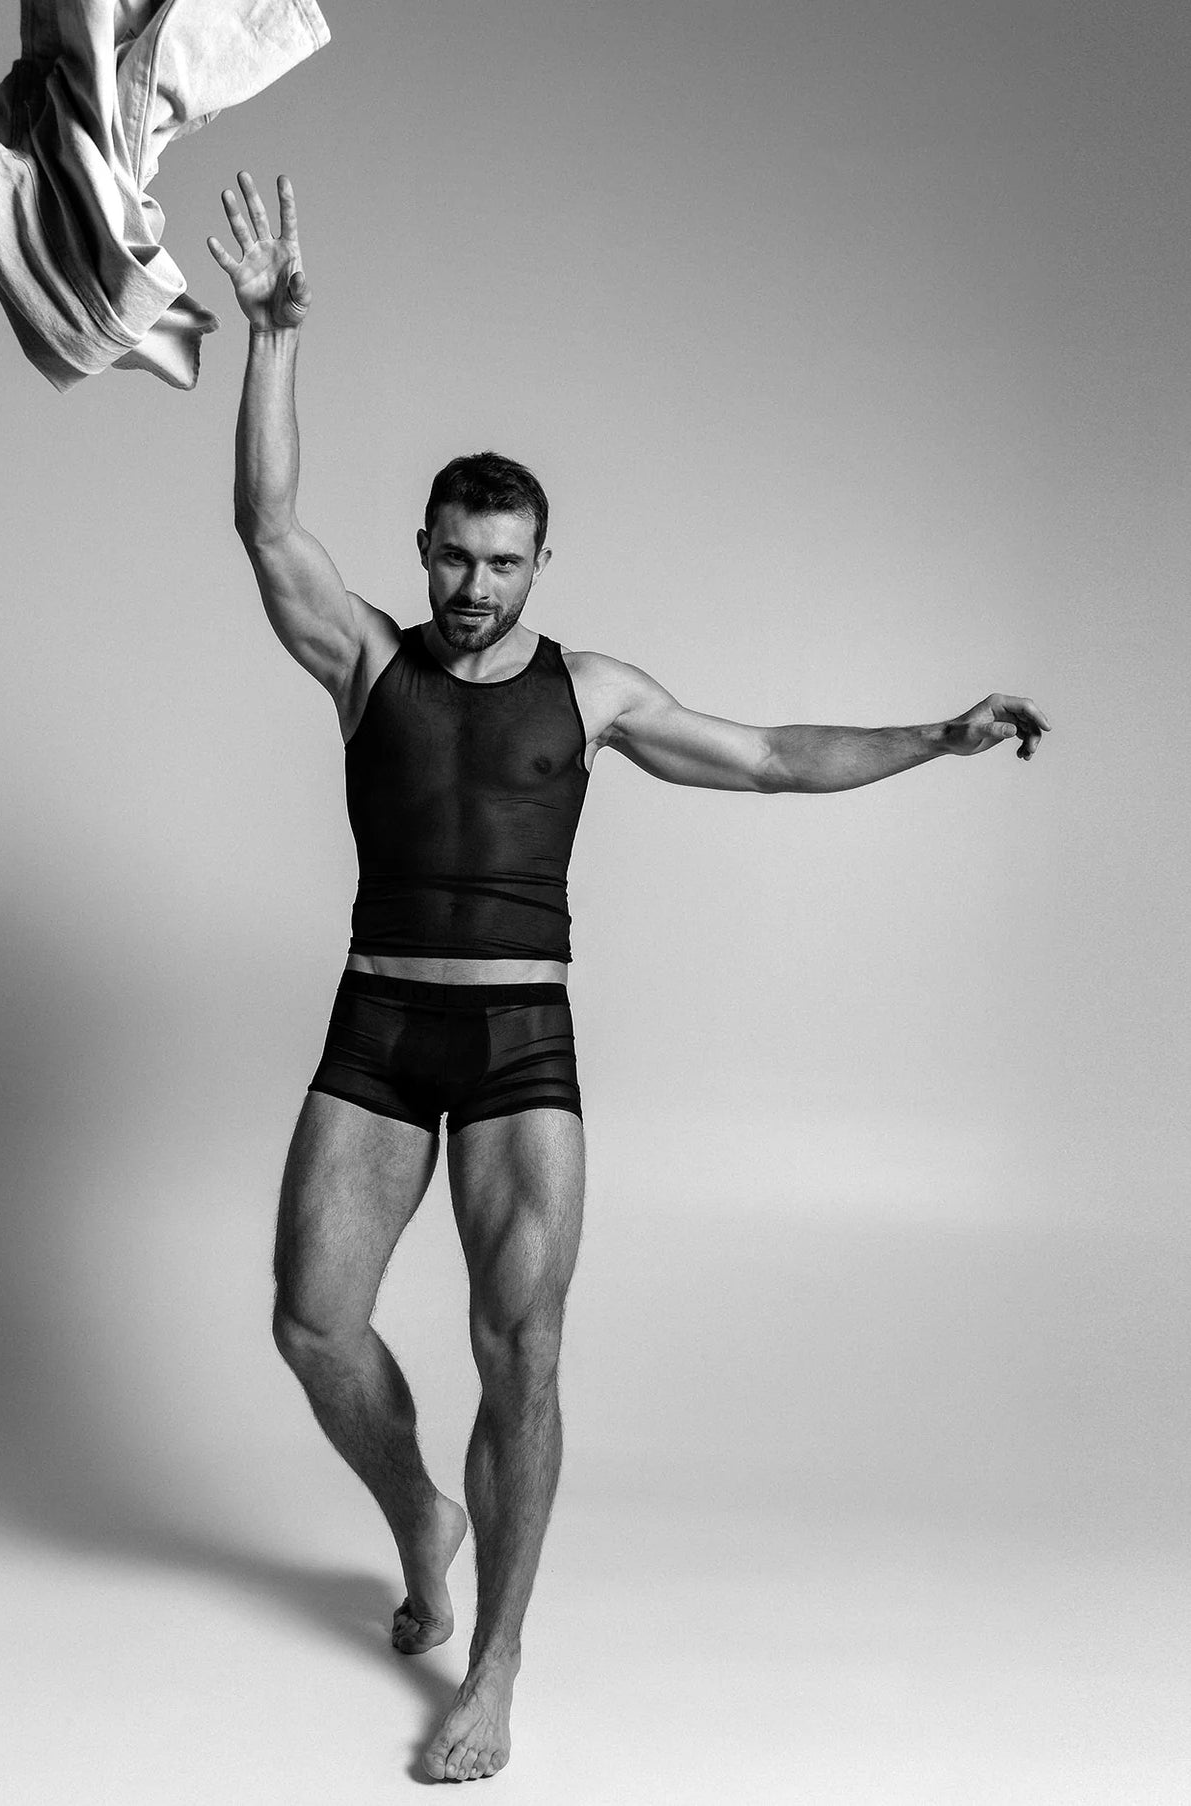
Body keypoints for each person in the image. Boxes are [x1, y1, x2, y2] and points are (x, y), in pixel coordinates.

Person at [208, 172, 1050, 1785]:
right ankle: (420, 1514)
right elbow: (264, 525)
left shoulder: (590, 693)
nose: (474, 586)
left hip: (518, 1036)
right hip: (378, 1021)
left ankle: (496, 1664)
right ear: (422, 550)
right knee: (312, 1321)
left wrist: (935, 736)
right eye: (454, 557)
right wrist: (273, 339)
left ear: (539, 563)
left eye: (503, 562)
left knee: (520, 1350)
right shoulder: (365, 659)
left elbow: (773, 756)